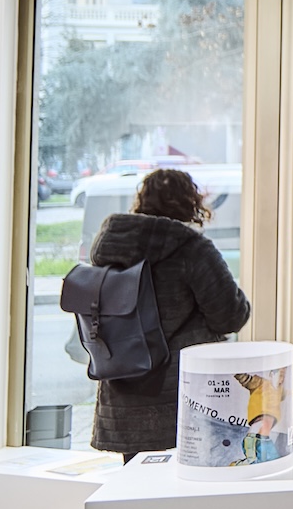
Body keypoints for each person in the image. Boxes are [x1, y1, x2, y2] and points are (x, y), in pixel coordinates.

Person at [87, 167, 252, 462]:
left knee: (136, 481)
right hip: (182, 394)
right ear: (190, 203)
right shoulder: (192, 249)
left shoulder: (109, 248)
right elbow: (231, 316)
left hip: (123, 390)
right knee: (188, 480)